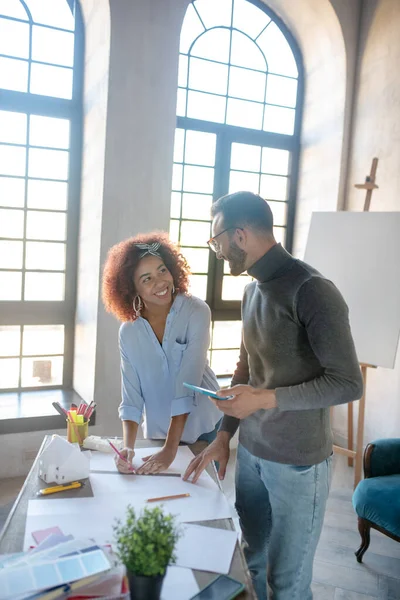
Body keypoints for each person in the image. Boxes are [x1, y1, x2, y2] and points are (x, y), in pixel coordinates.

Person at [183, 192, 363, 600]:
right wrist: (225, 436)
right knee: (254, 559)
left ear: (240, 235)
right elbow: (246, 371)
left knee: (287, 582)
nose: (217, 252)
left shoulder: (313, 290)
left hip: (300, 465)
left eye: (217, 242)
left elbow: (348, 382)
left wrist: (263, 400)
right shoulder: (252, 293)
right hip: (252, 455)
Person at [102, 232, 222, 475]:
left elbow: (186, 385)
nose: (159, 282)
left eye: (162, 270)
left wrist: (171, 449)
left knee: (201, 502)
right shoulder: (129, 332)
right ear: (130, 288)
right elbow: (131, 397)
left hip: (203, 427)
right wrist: (128, 448)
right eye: (146, 279)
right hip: (158, 432)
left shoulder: (196, 311)